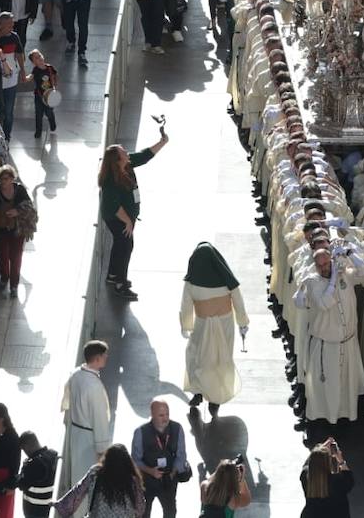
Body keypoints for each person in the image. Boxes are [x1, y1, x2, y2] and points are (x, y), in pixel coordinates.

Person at [293, 247, 364, 424]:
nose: (324, 268)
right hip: (326, 345)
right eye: (320, 265)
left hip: (347, 342)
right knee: (327, 387)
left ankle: (344, 419)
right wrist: (333, 279)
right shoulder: (311, 282)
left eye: (327, 263)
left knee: (345, 385)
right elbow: (324, 303)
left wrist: (349, 253)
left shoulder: (345, 275)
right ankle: (324, 422)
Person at [97, 132, 169, 300]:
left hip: (126, 216)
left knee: (120, 244)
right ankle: (120, 284)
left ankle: (113, 275)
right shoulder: (110, 180)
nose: (127, 154)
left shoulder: (126, 164)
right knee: (126, 247)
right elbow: (114, 206)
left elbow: (144, 156)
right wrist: (128, 221)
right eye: (123, 153)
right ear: (117, 160)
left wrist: (162, 142)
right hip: (117, 218)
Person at [180, 243, 249, 415]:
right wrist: (242, 322)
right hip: (224, 323)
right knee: (220, 358)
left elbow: (186, 306)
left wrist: (186, 326)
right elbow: (238, 301)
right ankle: (216, 397)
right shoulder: (227, 281)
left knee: (196, 357)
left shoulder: (191, 283)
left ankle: (197, 391)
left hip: (202, 325)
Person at [64, 340, 114, 489]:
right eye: (105, 355)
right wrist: (102, 449)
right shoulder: (94, 386)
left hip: (75, 431)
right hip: (89, 439)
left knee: (76, 475)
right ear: (97, 358)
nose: (107, 358)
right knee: (87, 478)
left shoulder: (75, 374)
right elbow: (99, 419)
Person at [0, 166, 34, 299]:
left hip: (17, 230)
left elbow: (29, 206)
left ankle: (14, 286)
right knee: (2, 257)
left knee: (16, 258)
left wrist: (17, 211)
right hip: (0, 230)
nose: (3, 182)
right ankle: (4, 277)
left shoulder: (19, 190)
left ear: (12, 178)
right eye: (1, 179)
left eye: (6, 179)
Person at [130, 399, 187, 518]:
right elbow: (135, 460)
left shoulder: (177, 429)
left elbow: (181, 455)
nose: (165, 418)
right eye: (161, 415)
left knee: (170, 512)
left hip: (169, 481)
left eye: (167, 414)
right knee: (143, 513)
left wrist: (173, 472)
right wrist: (150, 471)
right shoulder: (140, 432)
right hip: (147, 481)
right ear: (152, 414)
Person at [56, 445, 143, 518]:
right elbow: (140, 509)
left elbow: (78, 491)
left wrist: (60, 505)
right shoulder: (133, 481)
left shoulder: (96, 473)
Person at [10, 432, 59, 518]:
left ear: (27, 446)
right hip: (50, 509)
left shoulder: (33, 464)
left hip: (35, 511)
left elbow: (22, 484)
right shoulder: (53, 454)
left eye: (23, 449)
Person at [299, 440, 353, 518]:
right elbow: (349, 478)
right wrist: (340, 460)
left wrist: (319, 450)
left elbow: (307, 465)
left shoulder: (306, 477)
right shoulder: (337, 481)